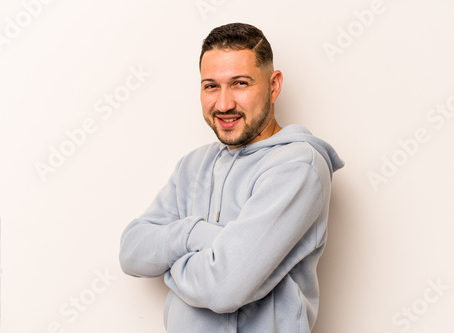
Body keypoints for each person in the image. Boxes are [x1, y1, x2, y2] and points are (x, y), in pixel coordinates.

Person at [119, 22, 344, 333]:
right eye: (211, 86)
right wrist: (194, 235)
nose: (223, 104)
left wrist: (169, 264)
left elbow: (224, 288)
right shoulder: (193, 165)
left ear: (274, 85)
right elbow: (132, 252)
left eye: (240, 83)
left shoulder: (298, 166)